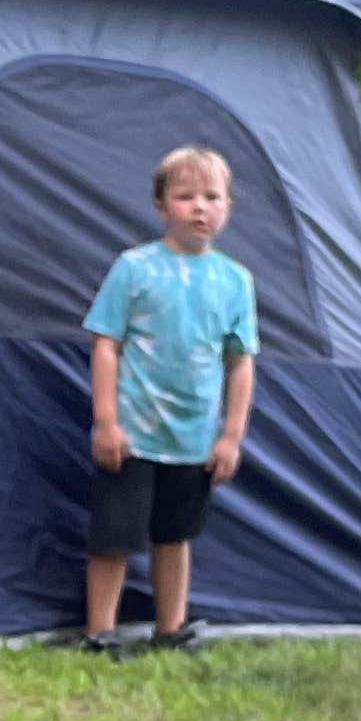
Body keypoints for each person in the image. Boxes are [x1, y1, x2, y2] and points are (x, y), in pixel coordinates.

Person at [82, 144, 258, 651]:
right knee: (114, 537)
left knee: (175, 536)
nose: (199, 207)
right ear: (161, 206)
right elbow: (106, 344)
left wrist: (230, 436)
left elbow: (240, 360)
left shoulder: (235, 281)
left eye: (212, 196)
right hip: (133, 435)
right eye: (185, 197)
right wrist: (107, 421)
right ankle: (100, 633)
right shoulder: (133, 269)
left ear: (227, 207)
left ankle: (170, 629)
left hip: (194, 439)